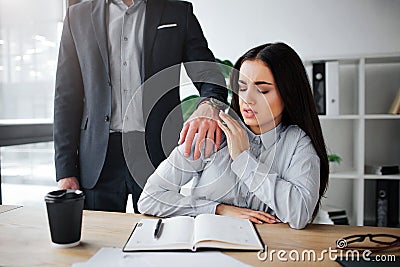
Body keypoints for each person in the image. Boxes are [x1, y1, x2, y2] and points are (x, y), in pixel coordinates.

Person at [54, 0, 227, 213]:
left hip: (155, 150)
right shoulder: (77, 16)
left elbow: (207, 73)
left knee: (160, 238)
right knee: (99, 238)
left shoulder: (177, 12)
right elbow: (66, 97)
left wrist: (210, 104)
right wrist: (65, 171)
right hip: (98, 156)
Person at [138, 42, 329, 229]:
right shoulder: (213, 133)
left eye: (262, 90)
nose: (247, 100)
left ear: (289, 93)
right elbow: (150, 198)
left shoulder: (298, 143)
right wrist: (218, 209)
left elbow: (300, 215)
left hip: (266, 254)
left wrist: (243, 159)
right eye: (243, 87)